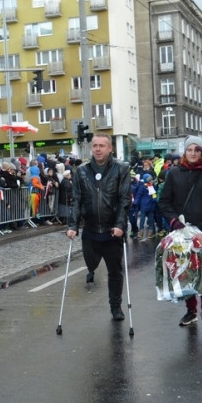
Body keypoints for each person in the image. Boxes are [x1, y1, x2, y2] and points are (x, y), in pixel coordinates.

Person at [158, 136, 202, 332]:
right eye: (190, 150)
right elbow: (164, 202)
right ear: (184, 152)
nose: (193, 153)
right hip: (183, 232)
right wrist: (173, 221)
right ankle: (191, 311)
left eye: (197, 150)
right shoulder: (174, 173)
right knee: (187, 271)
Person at [67, 133, 131, 321]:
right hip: (91, 229)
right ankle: (91, 271)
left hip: (113, 231)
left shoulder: (121, 169)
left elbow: (124, 199)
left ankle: (115, 306)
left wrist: (120, 225)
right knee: (91, 263)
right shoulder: (81, 171)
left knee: (115, 271)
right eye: (95, 145)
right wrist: (73, 225)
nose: (98, 149)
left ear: (110, 148)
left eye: (102, 145)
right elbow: (77, 200)